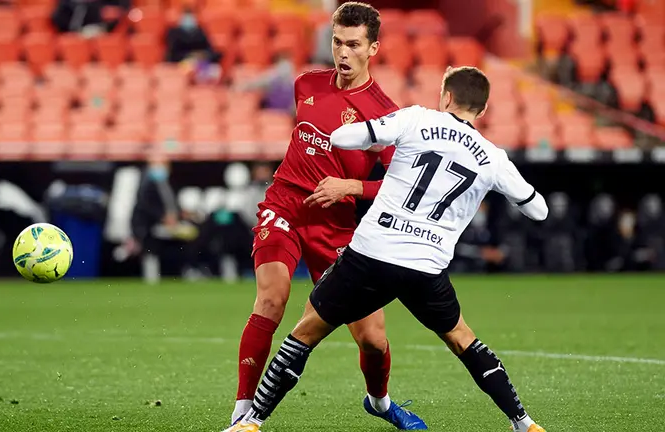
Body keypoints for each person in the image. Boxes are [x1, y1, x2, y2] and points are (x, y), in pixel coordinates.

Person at [224, 66, 549, 432]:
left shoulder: (415, 119)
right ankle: (524, 423)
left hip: (372, 251)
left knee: (310, 334)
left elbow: (346, 136)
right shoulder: (493, 157)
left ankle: (254, 423)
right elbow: (538, 210)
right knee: (462, 339)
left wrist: (357, 156)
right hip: (425, 264)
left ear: (446, 97)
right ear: (484, 110)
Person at [230, 2, 425, 430]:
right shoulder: (307, 84)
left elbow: (407, 187)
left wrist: (352, 186)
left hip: (337, 226)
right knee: (272, 298)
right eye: (337, 41)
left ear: (373, 48)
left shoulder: (384, 115)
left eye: (353, 44)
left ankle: (379, 402)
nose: (343, 52)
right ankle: (244, 414)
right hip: (285, 206)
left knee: (372, 340)